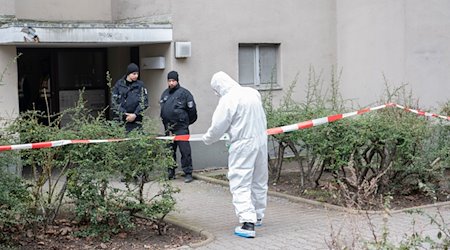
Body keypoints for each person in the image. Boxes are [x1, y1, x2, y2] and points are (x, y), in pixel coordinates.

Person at [202, 71, 268, 238]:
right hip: (261, 141)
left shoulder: (228, 100)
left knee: (240, 182)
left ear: (218, 87)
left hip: (242, 144)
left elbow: (218, 127)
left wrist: (207, 139)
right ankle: (258, 215)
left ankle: (247, 223)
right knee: (259, 180)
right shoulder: (252, 92)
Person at [160, 71, 197, 183]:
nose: (171, 83)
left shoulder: (185, 94)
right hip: (169, 128)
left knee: (185, 151)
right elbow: (163, 109)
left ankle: (188, 173)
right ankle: (170, 172)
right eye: (169, 81)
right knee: (170, 151)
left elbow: (192, 112)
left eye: (173, 81)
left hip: (181, 127)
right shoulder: (165, 94)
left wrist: (185, 123)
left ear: (177, 81)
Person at [111, 63, 149, 133]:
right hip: (122, 120)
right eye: (134, 74)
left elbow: (144, 102)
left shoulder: (140, 85)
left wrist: (135, 114)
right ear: (128, 73)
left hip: (137, 120)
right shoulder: (119, 84)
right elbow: (114, 102)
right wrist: (124, 114)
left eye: (137, 74)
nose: (136, 76)